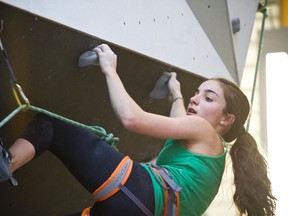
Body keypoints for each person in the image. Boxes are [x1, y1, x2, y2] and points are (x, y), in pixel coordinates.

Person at [1, 44, 276, 216]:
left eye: (208, 98)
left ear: (226, 119)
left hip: (136, 191)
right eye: (197, 92)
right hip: (139, 208)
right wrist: (176, 93)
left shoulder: (204, 130)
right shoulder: (210, 156)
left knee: (51, 127)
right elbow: (178, 122)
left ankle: (5, 165)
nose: (196, 98)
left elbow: (132, 119)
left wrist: (110, 69)